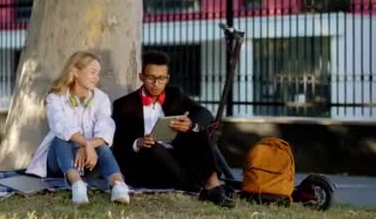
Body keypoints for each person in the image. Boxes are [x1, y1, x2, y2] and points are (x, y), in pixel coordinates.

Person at [112, 51, 234, 207]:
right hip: (146, 163)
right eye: (151, 78)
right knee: (152, 147)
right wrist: (138, 143)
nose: (156, 84)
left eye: (161, 78)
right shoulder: (123, 105)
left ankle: (213, 186)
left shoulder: (175, 95)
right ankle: (197, 186)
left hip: (178, 157)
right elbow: (119, 146)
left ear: (167, 78)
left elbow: (204, 114)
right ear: (141, 77)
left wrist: (190, 124)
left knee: (196, 131)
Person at [26, 51, 130, 205]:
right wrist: (86, 144)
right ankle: (77, 185)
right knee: (60, 139)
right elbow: (61, 126)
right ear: (76, 72)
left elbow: (106, 127)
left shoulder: (101, 98)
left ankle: (118, 186)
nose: (97, 77)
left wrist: (88, 146)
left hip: (88, 160)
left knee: (103, 148)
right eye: (92, 72)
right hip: (60, 160)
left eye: (98, 73)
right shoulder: (55, 97)